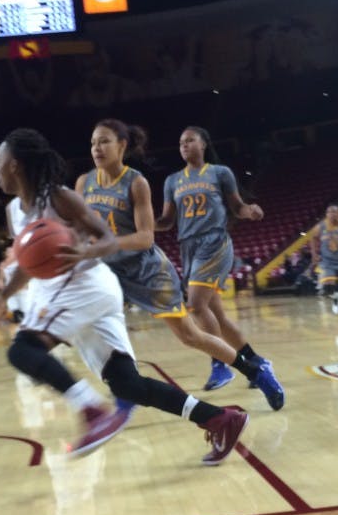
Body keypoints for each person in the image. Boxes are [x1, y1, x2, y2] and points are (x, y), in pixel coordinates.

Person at [0, 128, 248, 464]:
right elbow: (27, 262)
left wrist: (85, 251)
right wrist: (2, 296)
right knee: (127, 384)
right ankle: (219, 419)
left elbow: (108, 239)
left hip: (84, 285)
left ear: (15, 166)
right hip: (71, 294)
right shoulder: (13, 212)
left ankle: (93, 412)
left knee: (22, 351)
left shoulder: (60, 198)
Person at [76, 119, 284, 410]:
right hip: (115, 270)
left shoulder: (136, 182)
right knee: (99, 323)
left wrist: (108, 243)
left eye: (104, 141)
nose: (97, 148)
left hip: (148, 270)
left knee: (191, 333)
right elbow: (85, 226)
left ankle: (254, 370)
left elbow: (146, 237)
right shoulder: (84, 183)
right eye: (93, 142)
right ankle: (125, 388)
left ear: (122, 145)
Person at [156, 126, 278, 394]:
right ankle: (258, 362)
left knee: (196, 305)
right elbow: (166, 221)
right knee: (219, 317)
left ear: (203, 144)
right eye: (181, 142)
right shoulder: (172, 181)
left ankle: (220, 365)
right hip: (188, 246)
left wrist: (250, 212)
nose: (184, 145)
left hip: (214, 242)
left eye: (190, 140)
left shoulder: (219, 173)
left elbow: (236, 206)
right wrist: (142, 224)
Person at [309, 205, 338, 330]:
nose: (332, 214)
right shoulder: (321, 226)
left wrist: (337, 241)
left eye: (335, 212)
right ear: (326, 214)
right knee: (328, 283)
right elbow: (312, 237)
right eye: (329, 212)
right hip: (328, 261)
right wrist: (314, 254)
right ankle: (335, 296)